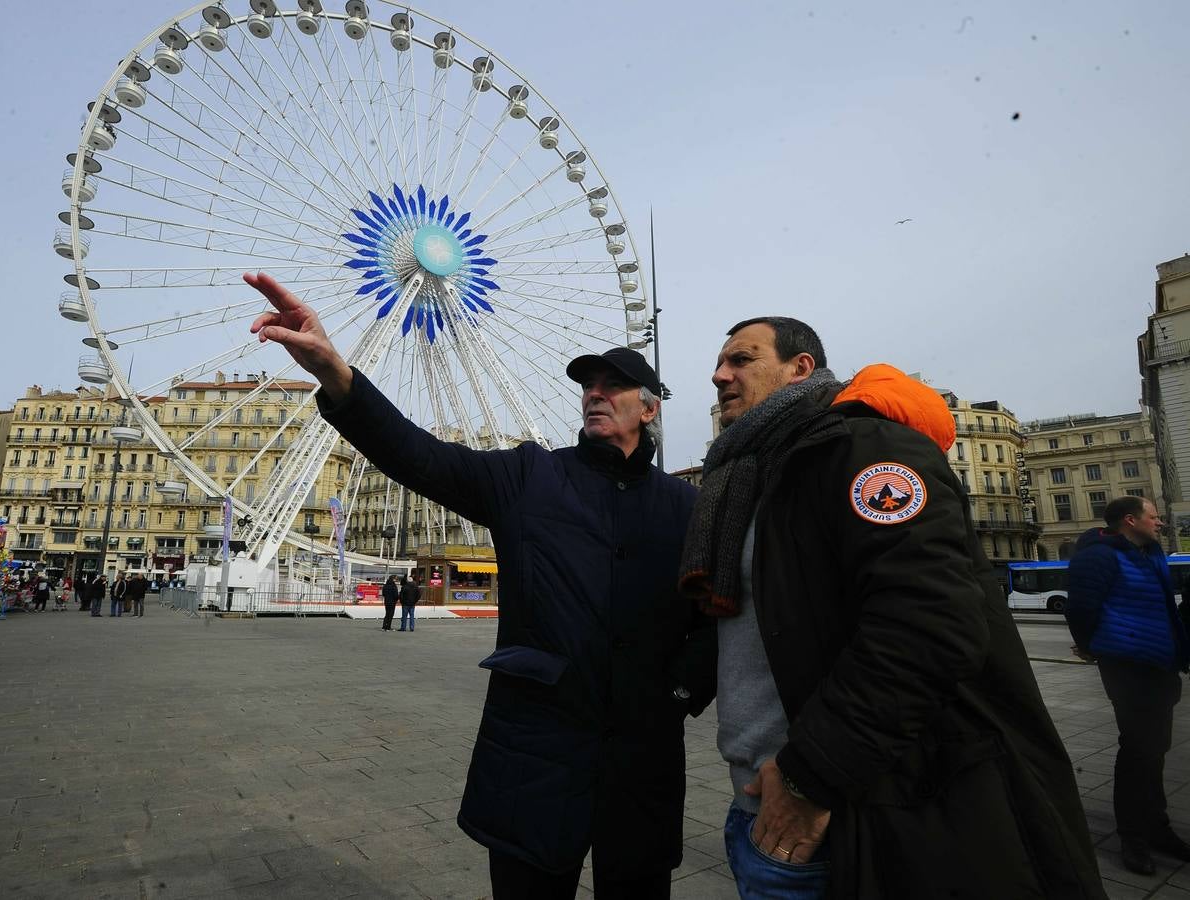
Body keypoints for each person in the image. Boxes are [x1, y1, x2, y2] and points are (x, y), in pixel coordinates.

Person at [245, 272, 716, 898]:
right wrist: (337, 374)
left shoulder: (685, 508)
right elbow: (420, 456)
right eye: (588, 386)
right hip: (535, 752)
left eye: (613, 386)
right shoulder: (530, 476)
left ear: (649, 408)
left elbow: (715, 614)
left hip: (642, 760)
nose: (594, 395)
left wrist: (681, 691)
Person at [681, 317, 1102, 898]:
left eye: (742, 360)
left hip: (846, 807)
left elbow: (930, 626)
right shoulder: (753, 475)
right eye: (721, 362)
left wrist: (809, 779)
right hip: (761, 801)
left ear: (801, 367)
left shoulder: (860, 450)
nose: (719, 374)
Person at [1066, 496, 1190, 875]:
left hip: (1159, 665)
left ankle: (1157, 828)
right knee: (1138, 753)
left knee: (1153, 751)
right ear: (1130, 520)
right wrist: (1091, 648)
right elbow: (1081, 608)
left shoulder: (1151, 553)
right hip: (1127, 666)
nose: (1159, 523)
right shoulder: (1099, 555)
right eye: (1153, 517)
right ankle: (1134, 838)